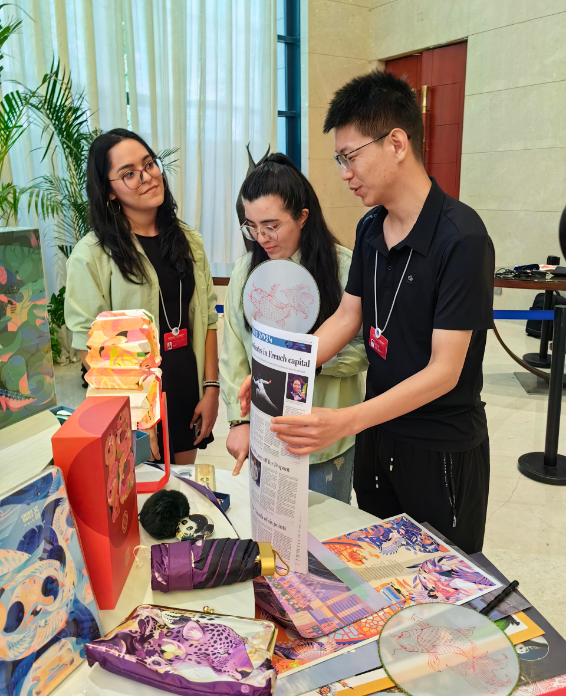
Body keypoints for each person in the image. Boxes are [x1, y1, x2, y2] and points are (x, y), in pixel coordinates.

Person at [239, 72, 494, 554]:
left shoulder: (462, 238)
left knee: (438, 578)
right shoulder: (371, 227)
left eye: (349, 156)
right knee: (379, 568)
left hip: (438, 446)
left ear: (396, 143)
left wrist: (345, 420)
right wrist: (280, 369)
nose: (344, 173)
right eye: (341, 160)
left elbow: (444, 371)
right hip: (378, 437)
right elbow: (346, 318)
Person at [65, 128, 219, 465]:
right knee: (140, 492)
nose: (147, 177)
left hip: (185, 386)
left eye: (149, 164)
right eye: (129, 174)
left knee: (181, 488)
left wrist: (211, 389)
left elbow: (208, 319)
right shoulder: (91, 255)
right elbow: (89, 348)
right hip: (131, 400)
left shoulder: (189, 240)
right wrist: (136, 413)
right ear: (109, 191)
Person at [220, 153, 367, 503]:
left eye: (271, 226)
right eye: (251, 226)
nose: (261, 237)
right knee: (269, 526)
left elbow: (364, 348)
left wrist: (313, 363)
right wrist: (238, 422)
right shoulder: (244, 271)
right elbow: (234, 352)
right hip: (266, 434)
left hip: (325, 437)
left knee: (327, 528)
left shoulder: (343, 268)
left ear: (302, 217)